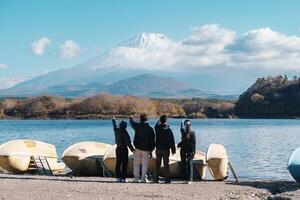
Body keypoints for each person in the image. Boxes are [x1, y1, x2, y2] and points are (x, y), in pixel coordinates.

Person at [129, 114, 155, 183]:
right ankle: (143, 178)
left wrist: (131, 118)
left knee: (136, 163)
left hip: (137, 148)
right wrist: (152, 149)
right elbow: (152, 140)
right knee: (145, 164)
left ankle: (136, 178)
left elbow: (132, 123)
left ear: (140, 119)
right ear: (147, 120)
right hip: (146, 149)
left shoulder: (137, 126)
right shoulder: (150, 129)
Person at [154, 115, 176, 184]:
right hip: (166, 149)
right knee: (166, 165)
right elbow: (171, 141)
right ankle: (167, 179)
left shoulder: (157, 128)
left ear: (160, 121)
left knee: (158, 164)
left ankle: (156, 179)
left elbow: (156, 124)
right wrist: (173, 150)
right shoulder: (168, 130)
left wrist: (159, 120)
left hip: (158, 149)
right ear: (166, 121)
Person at [112, 116, 135, 183]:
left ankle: (117, 177)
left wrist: (113, 119)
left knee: (118, 163)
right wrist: (132, 150)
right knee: (124, 164)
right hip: (124, 149)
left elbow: (114, 124)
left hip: (118, 148)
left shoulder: (116, 129)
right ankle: (123, 178)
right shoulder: (124, 132)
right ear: (125, 127)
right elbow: (128, 143)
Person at [177, 119, 196, 184]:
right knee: (189, 165)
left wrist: (181, 122)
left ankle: (184, 179)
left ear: (185, 126)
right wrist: (194, 152)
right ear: (190, 126)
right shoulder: (192, 133)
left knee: (183, 164)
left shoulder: (183, 132)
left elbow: (181, 128)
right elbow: (194, 143)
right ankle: (189, 180)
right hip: (190, 151)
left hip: (183, 150)